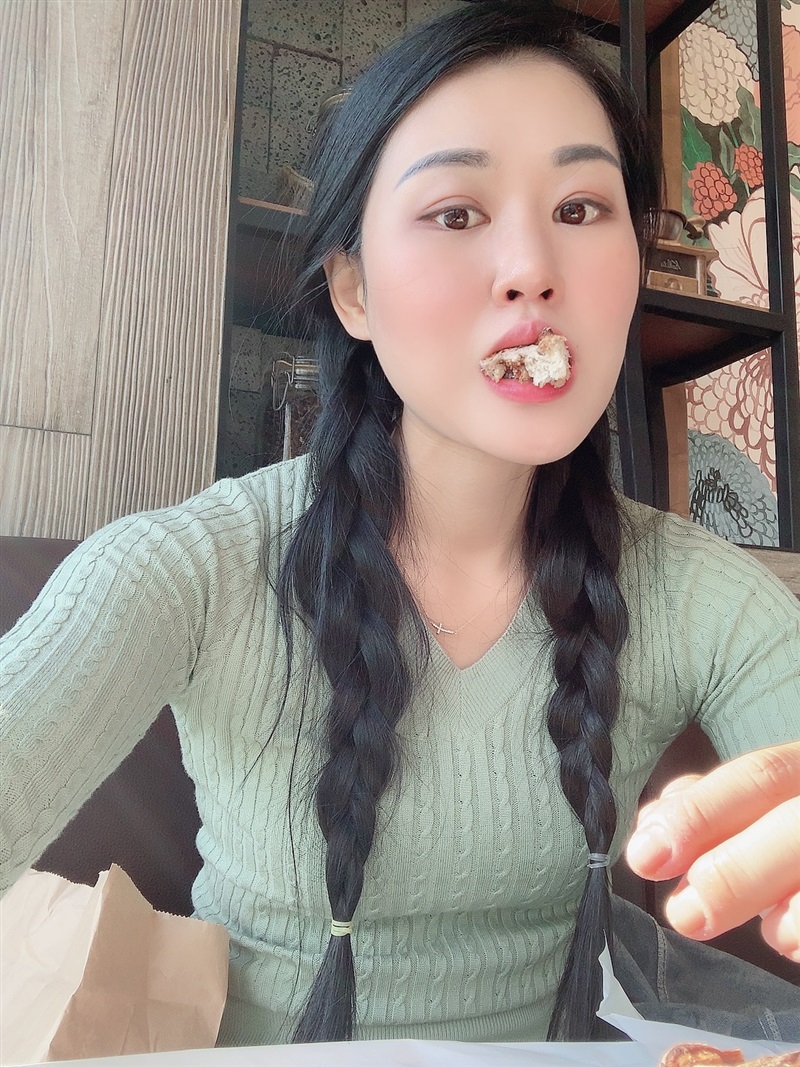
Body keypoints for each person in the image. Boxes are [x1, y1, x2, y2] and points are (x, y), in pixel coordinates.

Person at [1, 0, 799, 1048]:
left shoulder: (706, 597)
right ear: (353, 291)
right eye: (455, 213)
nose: (531, 266)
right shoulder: (193, 568)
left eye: (580, 207)